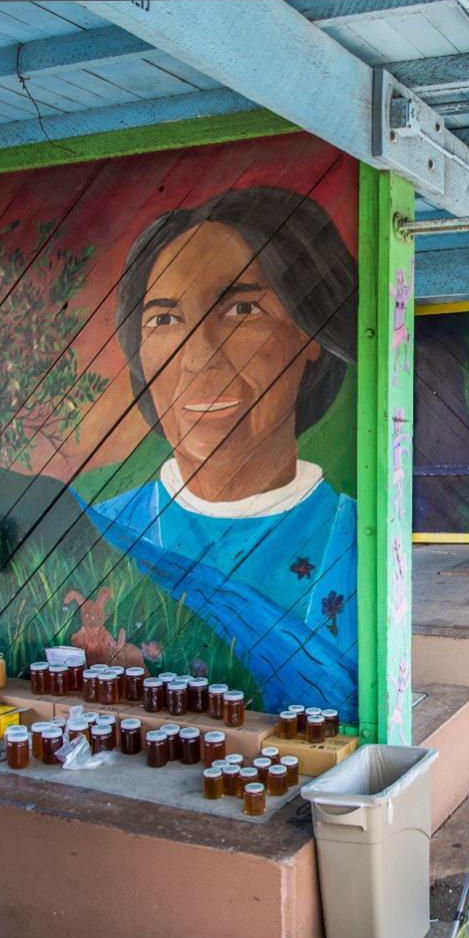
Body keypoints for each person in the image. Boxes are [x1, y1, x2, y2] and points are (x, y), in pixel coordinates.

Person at [76, 187, 359, 718]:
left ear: (312, 333)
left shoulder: (353, 540)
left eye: (241, 308)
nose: (198, 356)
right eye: (164, 319)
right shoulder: (102, 533)